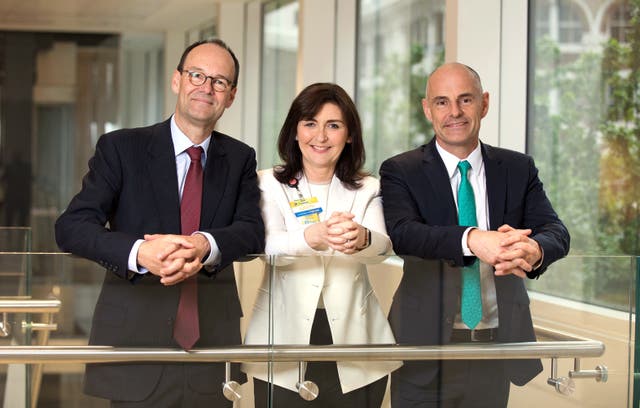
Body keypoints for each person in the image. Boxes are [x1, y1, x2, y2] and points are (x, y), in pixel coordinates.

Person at [54, 38, 265, 407]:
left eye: (219, 81)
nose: (206, 87)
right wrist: (139, 252)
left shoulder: (240, 158)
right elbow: (71, 227)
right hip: (135, 346)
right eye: (197, 75)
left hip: (210, 348)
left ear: (230, 96)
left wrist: (204, 244)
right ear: (177, 80)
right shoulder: (121, 148)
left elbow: (251, 232)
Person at [379, 63, 570, 408]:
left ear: (484, 103)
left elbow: (556, 231)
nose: (454, 112)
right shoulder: (400, 170)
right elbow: (404, 234)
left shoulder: (517, 168)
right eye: (442, 102)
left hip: (493, 349)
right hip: (423, 349)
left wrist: (535, 250)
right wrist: (472, 239)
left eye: (465, 100)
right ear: (427, 109)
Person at [243, 82, 401, 407]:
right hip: (281, 337)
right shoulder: (267, 183)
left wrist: (362, 238)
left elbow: (383, 246)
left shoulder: (368, 188)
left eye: (334, 125)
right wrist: (309, 238)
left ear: (350, 135)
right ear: (295, 131)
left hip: (356, 339)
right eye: (310, 123)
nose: (321, 136)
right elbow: (267, 247)